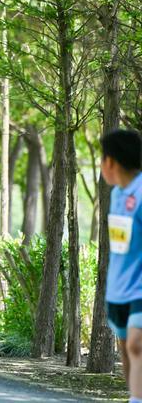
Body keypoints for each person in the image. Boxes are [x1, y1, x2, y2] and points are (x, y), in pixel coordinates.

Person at [101, 129, 142, 403]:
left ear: (111, 161)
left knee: (137, 345)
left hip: (140, 288)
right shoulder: (117, 195)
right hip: (117, 290)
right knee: (126, 350)